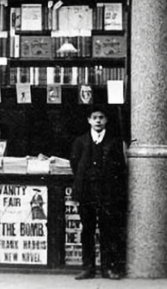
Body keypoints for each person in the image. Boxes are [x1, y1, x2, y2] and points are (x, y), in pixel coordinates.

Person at [70, 106, 126, 280]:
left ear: (106, 120)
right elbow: (75, 163)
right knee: (87, 230)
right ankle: (88, 268)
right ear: (89, 120)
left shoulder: (114, 142)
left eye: (101, 117)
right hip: (87, 192)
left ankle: (107, 269)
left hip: (107, 193)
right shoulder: (80, 142)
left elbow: (120, 167)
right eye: (95, 117)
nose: (98, 121)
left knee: (108, 231)